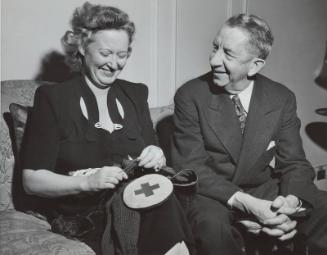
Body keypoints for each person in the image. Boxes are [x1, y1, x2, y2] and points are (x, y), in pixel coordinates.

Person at [21, 2, 193, 255]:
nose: (114, 64)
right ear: (81, 47)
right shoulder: (53, 98)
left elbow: (151, 148)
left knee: (161, 202)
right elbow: (31, 181)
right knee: (160, 211)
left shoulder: (135, 93)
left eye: (122, 55)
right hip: (85, 210)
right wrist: (88, 182)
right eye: (105, 54)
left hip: (143, 198)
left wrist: (157, 153)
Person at [171, 13, 327, 255]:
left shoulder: (281, 98)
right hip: (212, 193)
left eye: (228, 54)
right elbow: (190, 167)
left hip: (263, 189)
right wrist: (247, 205)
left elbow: (294, 163)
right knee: (212, 228)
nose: (214, 60)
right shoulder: (190, 95)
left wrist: (290, 205)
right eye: (215, 47)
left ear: (255, 65)